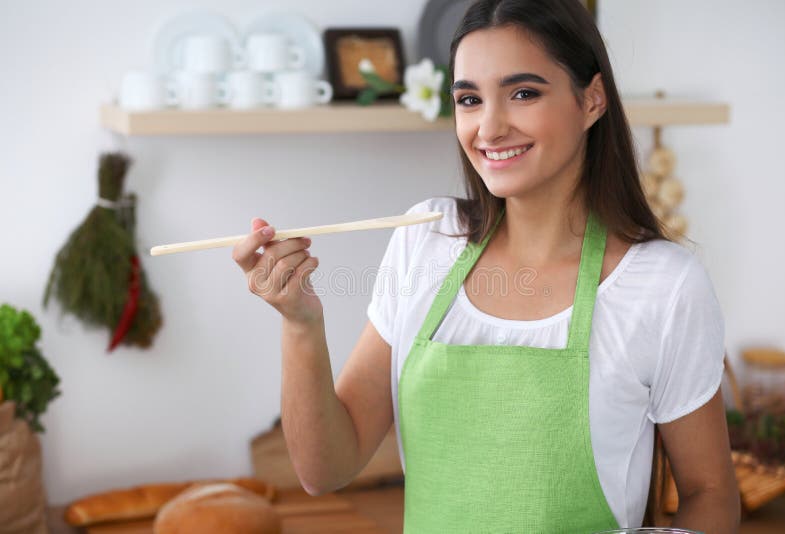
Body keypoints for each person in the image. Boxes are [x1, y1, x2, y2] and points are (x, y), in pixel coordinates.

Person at [232, 0, 740, 531]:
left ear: (591, 100)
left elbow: (709, 492)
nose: (489, 128)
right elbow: (325, 469)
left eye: (523, 93)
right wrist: (300, 322)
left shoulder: (662, 285)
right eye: (469, 99)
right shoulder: (425, 239)